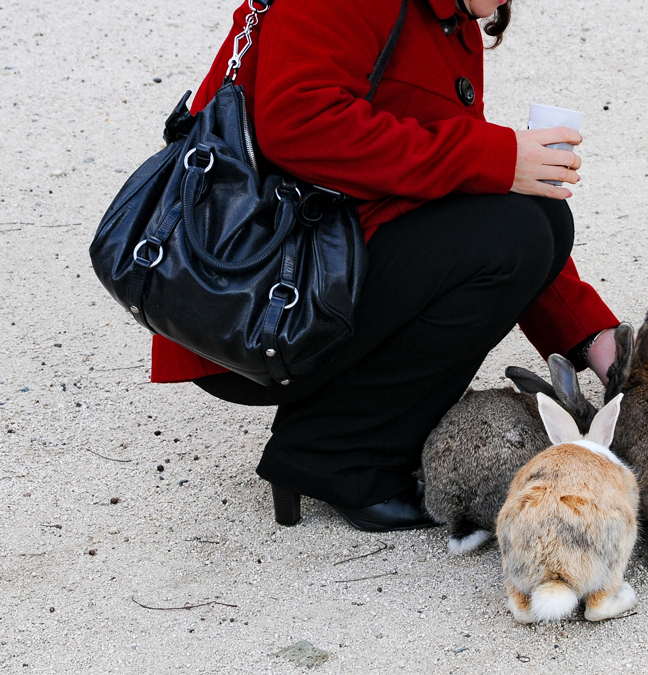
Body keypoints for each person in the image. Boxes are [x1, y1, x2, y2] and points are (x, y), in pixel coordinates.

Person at [151, 0, 620, 531]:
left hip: (318, 268)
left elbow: (455, 180)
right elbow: (297, 122)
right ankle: (340, 454)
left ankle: (339, 434)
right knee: (514, 228)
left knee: (539, 216)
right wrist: (490, 155)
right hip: (249, 301)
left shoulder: (447, 18)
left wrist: (598, 342)